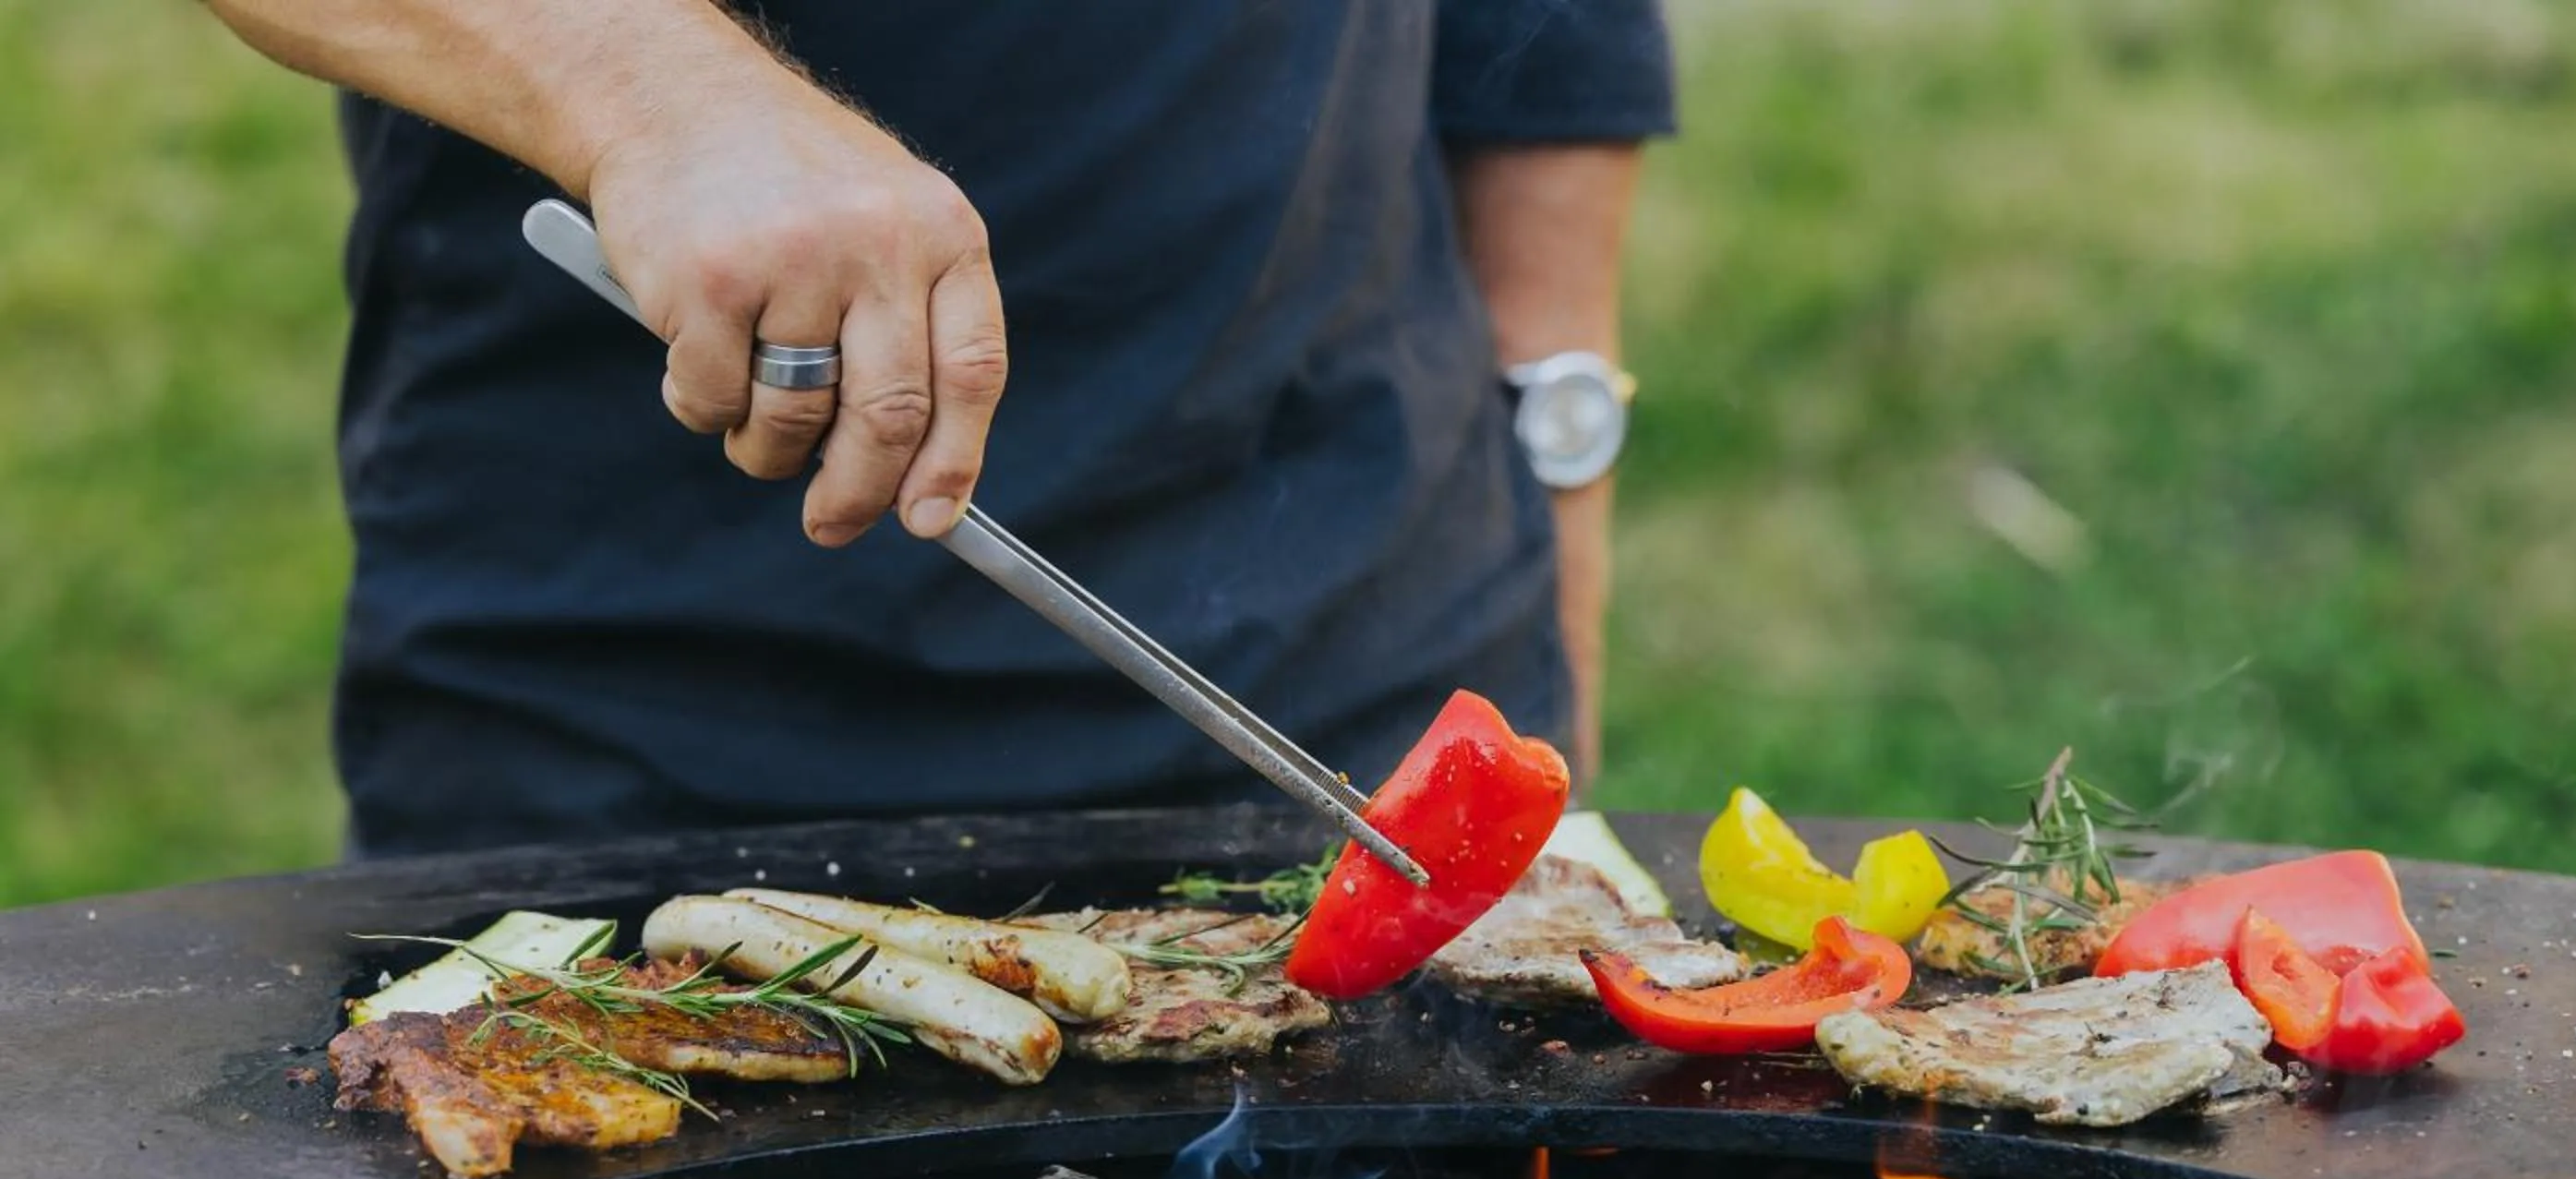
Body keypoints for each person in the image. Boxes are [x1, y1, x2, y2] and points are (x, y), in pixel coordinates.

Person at [198, 1, 1674, 855]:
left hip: (1355, 731)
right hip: (647, 753)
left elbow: (1544, 40)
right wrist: (658, 92)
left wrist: (1556, 442)